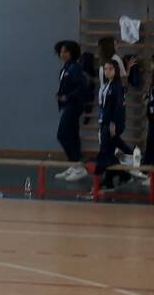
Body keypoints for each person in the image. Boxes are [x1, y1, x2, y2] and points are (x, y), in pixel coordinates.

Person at [53, 41, 90, 183]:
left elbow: (82, 86)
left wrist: (67, 96)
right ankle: (74, 165)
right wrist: (60, 95)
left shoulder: (75, 67)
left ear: (72, 52)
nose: (63, 54)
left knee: (62, 135)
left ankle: (78, 166)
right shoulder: (66, 67)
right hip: (68, 105)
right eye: (61, 52)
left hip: (74, 106)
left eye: (66, 52)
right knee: (73, 135)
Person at [96, 60, 128, 190]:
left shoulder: (117, 86)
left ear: (116, 71)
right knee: (107, 152)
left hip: (113, 123)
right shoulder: (107, 85)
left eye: (110, 69)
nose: (107, 71)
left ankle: (122, 174)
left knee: (105, 152)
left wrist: (113, 123)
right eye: (105, 68)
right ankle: (111, 179)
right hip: (105, 121)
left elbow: (118, 107)